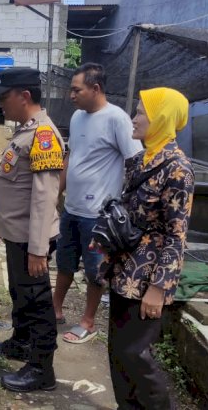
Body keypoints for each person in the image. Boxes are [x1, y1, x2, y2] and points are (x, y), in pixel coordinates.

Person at [100, 87, 194, 409]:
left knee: (135, 354)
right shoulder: (141, 159)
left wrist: (159, 287)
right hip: (124, 269)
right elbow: (130, 214)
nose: (134, 118)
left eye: (140, 112)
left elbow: (176, 234)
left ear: (161, 118)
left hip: (147, 278)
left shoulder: (177, 169)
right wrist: (108, 235)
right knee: (117, 351)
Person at [0, 67, 65, 392]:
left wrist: (37, 248)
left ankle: (41, 368)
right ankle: (20, 343)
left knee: (37, 301)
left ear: (24, 96)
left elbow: (46, 197)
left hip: (32, 240)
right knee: (20, 295)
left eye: (5, 97)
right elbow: (16, 187)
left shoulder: (43, 135)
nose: (1, 104)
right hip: (18, 235)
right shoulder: (25, 131)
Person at [52, 63, 143, 344]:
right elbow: (71, 157)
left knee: (96, 270)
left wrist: (123, 207)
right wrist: (57, 191)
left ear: (96, 88)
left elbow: (135, 162)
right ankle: (54, 309)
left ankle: (88, 322)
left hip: (98, 215)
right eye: (71, 90)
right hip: (72, 208)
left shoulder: (117, 119)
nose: (71, 95)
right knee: (64, 262)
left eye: (76, 89)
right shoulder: (78, 117)